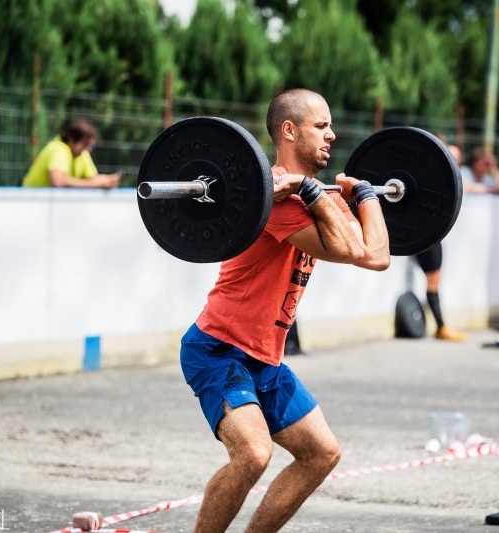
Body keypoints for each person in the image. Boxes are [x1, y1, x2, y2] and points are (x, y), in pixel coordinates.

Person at [179, 88, 390, 533]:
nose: (332, 135)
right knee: (254, 454)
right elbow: (353, 250)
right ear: (290, 131)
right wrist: (312, 191)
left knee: (322, 453)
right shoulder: (271, 197)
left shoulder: (316, 197)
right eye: (321, 126)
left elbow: (377, 256)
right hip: (219, 350)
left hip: (265, 359)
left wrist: (366, 194)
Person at [409, 142, 466, 341]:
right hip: (425, 235)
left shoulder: (449, 178)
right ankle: (441, 326)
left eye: (456, 156)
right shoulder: (432, 176)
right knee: (433, 282)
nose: (453, 158)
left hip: (431, 235)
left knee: (434, 281)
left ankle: (441, 325)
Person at [21, 118, 123, 188]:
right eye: (85, 144)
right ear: (71, 139)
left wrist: (107, 180)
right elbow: (58, 182)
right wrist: (96, 184)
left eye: (91, 145)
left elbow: (93, 178)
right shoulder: (59, 149)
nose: (89, 149)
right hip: (30, 206)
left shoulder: (82, 153)